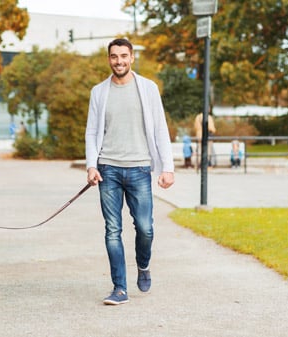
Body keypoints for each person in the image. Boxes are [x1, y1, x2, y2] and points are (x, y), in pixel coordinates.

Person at [85, 38, 174, 305]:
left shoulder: (148, 88)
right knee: (113, 230)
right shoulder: (99, 92)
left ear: (132, 57)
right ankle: (119, 288)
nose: (119, 61)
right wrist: (91, 165)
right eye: (114, 56)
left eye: (124, 56)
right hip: (108, 170)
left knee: (145, 228)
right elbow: (91, 131)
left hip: (139, 169)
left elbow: (160, 128)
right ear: (109, 59)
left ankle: (143, 265)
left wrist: (167, 168)